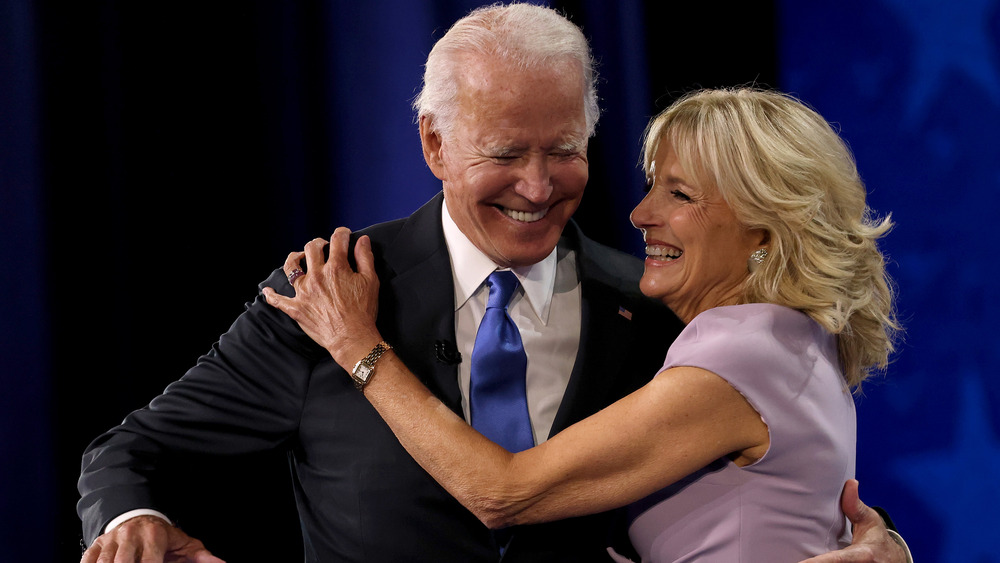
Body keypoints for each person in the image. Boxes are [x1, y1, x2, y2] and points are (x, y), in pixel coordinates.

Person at [79, 4, 908, 562]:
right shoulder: (331, 292)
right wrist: (132, 518)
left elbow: (770, 487)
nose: (540, 186)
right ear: (435, 144)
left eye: (563, 149)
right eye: (506, 154)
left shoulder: (660, 315)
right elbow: (130, 447)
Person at [263, 88, 907, 562]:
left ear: (763, 227)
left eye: (679, 195)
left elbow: (502, 493)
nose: (639, 212)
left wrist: (358, 346)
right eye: (653, 185)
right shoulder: (794, 339)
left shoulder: (741, 349)